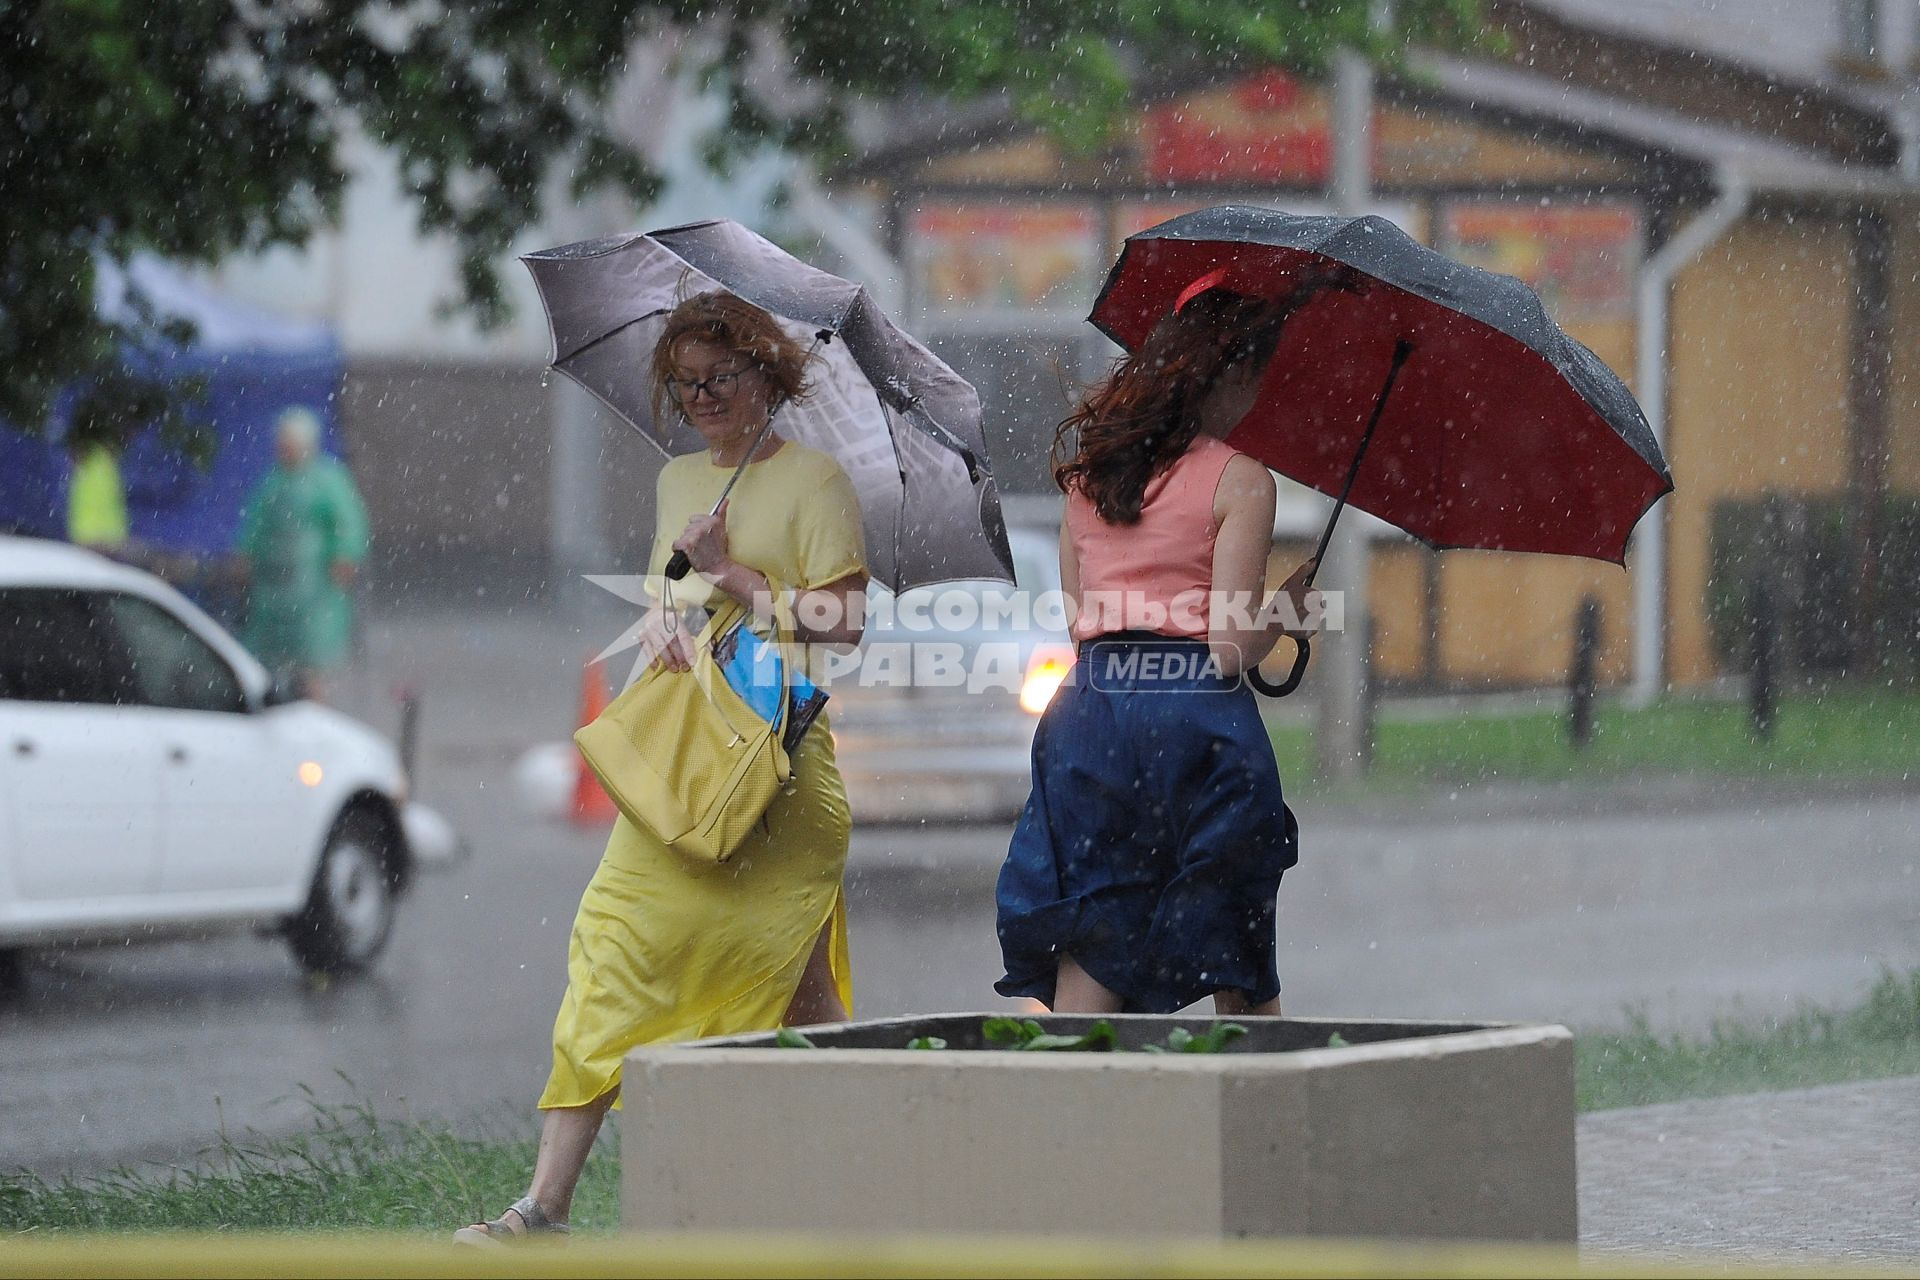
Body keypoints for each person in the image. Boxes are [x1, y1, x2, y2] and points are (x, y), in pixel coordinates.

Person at [456, 291, 869, 1246]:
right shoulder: (678, 482)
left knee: (797, 996)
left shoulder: (816, 483)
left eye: (720, 377)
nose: (703, 398)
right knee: (611, 952)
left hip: (775, 781)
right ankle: (544, 1208)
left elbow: (844, 626)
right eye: (685, 385)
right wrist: (667, 618)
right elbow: (664, 602)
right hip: (685, 770)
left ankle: (855, 1178)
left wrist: (734, 578)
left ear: (768, 372)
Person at [995, 286, 1321, 1018]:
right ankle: (1254, 1117)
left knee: (1097, 934)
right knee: (1235, 947)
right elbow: (1231, 647)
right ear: (1233, 377)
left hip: (1091, 713)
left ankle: (1070, 1109)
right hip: (1192, 720)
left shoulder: (1089, 478)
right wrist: (1290, 612)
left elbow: (1083, 624)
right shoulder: (1241, 480)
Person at [232, 407, 370, 700]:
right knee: (270, 657)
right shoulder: (273, 482)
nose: (284, 449)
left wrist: (345, 556)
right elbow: (254, 523)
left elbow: (348, 521)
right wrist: (245, 555)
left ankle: (313, 707)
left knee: (311, 658)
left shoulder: (327, 480)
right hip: (272, 585)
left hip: (313, 586)